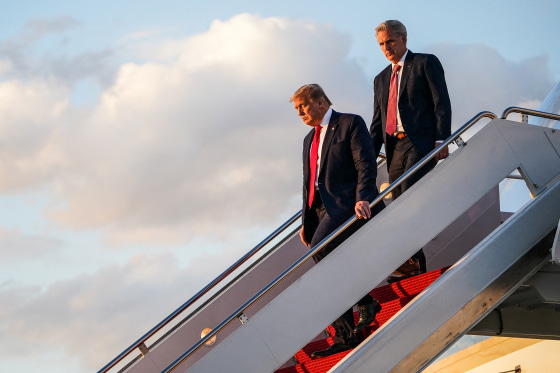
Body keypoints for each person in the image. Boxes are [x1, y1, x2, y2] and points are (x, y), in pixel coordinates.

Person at [291, 84, 383, 358]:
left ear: (320, 102)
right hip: (319, 210)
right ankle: (362, 306)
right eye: (297, 110)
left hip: (345, 205)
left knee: (320, 250)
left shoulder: (349, 123)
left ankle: (354, 318)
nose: (300, 114)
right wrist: (306, 221)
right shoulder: (309, 139)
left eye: (303, 106)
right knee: (329, 265)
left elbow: (365, 163)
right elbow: (309, 182)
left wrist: (364, 197)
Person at [370, 20, 452, 280]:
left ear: (404, 39)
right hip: (394, 148)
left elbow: (441, 102)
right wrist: (366, 160)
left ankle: (412, 265)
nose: (387, 47)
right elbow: (376, 123)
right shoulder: (380, 79)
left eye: (391, 41)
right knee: (397, 206)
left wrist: (442, 139)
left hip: (422, 143)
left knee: (407, 197)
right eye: (382, 44)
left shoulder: (426, 63)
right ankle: (416, 267)